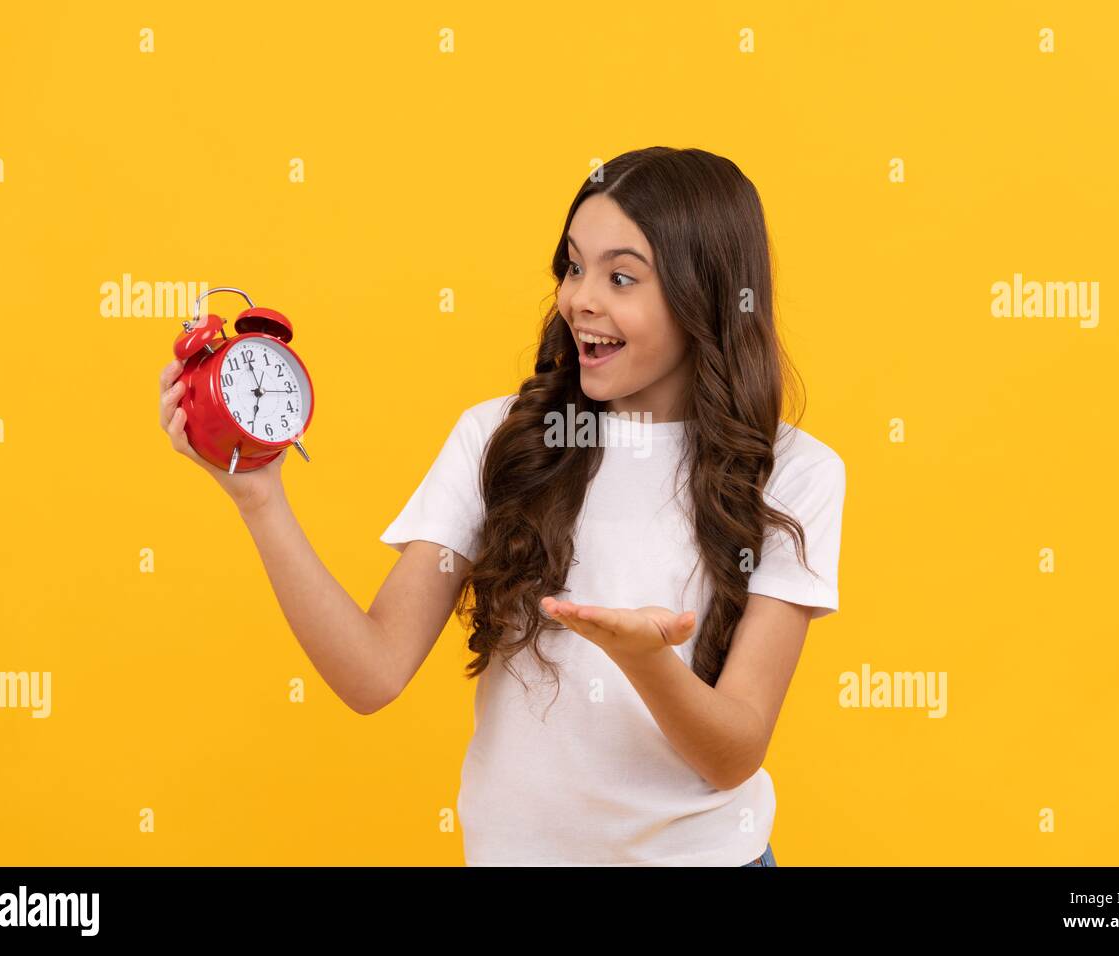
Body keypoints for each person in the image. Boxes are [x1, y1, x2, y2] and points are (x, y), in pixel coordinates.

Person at [158, 146, 846, 866]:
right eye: (574, 267)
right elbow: (370, 675)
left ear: (704, 293)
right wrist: (260, 499)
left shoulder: (796, 473)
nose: (581, 299)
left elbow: (734, 753)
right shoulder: (498, 439)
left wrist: (647, 662)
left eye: (621, 277)